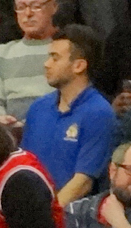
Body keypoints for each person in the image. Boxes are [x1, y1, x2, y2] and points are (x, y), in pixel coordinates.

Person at [22, 25, 113, 202]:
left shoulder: (99, 113)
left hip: (73, 213)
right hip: (31, 205)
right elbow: (22, 165)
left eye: (55, 58)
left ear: (79, 66)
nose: (46, 64)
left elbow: (82, 183)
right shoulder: (38, 108)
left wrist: (48, 214)